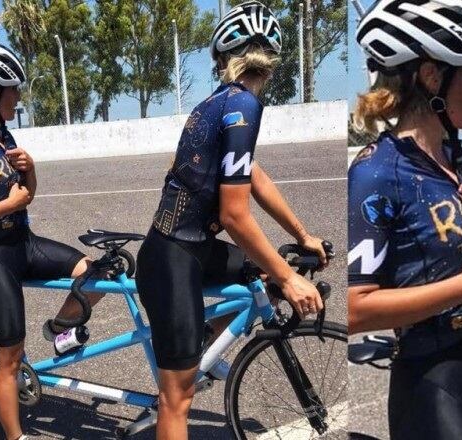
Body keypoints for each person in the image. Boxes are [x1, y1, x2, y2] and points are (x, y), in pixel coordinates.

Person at [136, 2, 329, 438]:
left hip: (190, 247)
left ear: (224, 59)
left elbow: (253, 176)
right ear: (271, 60)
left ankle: (200, 338)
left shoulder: (221, 102)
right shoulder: (244, 105)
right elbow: (234, 215)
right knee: (176, 398)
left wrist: (302, 235)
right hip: (172, 259)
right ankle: (186, 355)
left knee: (268, 273)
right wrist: (291, 279)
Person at [349, 0, 462, 437]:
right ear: (433, 75)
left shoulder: (457, 157)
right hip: (436, 379)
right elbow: (356, 309)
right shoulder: (376, 172)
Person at [0, 42, 104, 440]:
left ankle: (58, 329)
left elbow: (26, 195)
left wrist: (31, 171)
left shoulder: (5, 136)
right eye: (12, 89)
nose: (18, 96)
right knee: (10, 360)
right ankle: (16, 437)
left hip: (24, 242)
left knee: (95, 273)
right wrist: (7, 205)